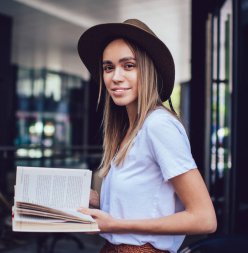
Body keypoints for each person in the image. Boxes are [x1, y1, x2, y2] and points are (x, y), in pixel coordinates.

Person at [77, 19, 216, 253]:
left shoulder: (158, 125)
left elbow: (204, 218)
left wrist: (116, 225)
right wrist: (99, 202)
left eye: (128, 65)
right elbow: (150, 205)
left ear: (148, 69)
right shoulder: (128, 131)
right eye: (108, 67)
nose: (115, 77)